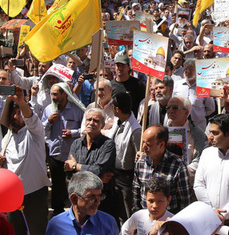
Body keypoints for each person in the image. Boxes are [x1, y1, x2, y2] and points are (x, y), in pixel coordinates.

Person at [0, 86, 50, 235]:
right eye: (14, 113)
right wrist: (0, 161)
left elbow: (32, 119)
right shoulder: (7, 138)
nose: (17, 116)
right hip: (13, 197)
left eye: (20, 113)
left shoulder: (35, 132)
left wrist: (21, 102)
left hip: (35, 194)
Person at [42, 83, 84, 215]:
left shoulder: (76, 110)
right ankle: (57, 210)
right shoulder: (49, 109)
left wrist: (73, 133)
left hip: (72, 155)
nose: (53, 97)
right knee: (57, 183)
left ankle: (77, 207)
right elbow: (41, 130)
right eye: (52, 94)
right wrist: (49, 121)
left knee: (75, 183)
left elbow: (84, 129)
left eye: (56, 94)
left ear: (64, 94)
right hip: (55, 153)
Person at [65, 107, 115, 213]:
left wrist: (75, 166)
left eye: (96, 120)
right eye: (89, 119)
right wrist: (97, 176)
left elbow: (97, 171)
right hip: (80, 199)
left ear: (102, 125)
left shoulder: (108, 144)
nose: (91, 123)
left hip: (100, 200)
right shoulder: (76, 144)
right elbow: (70, 173)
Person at [133, 125, 192, 215]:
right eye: (143, 142)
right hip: (145, 216)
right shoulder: (141, 162)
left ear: (161, 144)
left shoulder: (178, 166)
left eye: (148, 144)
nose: (144, 147)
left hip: (169, 218)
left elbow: (185, 201)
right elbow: (136, 193)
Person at [110, 92, 141, 225]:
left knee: (128, 207)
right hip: (115, 173)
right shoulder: (118, 123)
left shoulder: (135, 130)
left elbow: (139, 156)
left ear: (117, 109)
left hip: (127, 176)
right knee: (119, 206)